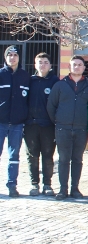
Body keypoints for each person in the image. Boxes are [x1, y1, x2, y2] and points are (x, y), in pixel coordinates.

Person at [47, 55, 88, 200]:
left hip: (81, 129)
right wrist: (58, 121)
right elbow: (51, 106)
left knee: (77, 159)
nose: (77, 67)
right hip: (63, 129)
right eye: (74, 64)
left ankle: (75, 188)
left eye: (80, 65)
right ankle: (63, 189)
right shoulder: (60, 85)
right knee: (63, 159)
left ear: (84, 68)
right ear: (69, 67)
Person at [24, 52, 59, 196]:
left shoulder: (55, 82)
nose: (42, 65)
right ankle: (34, 184)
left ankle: (47, 184)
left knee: (47, 155)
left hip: (49, 126)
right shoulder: (29, 81)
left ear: (50, 65)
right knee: (32, 155)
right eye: (40, 62)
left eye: (45, 62)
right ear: (35, 65)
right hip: (31, 125)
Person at [0, 45, 31, 197]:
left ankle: (12, 185)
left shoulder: (26, 77)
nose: (12, 57)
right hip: (0, 122)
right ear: (5, 57)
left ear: (19, 57)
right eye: (9, 55)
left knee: (14, 156)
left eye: (15, 55)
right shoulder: (0, 75)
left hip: (17, 124)